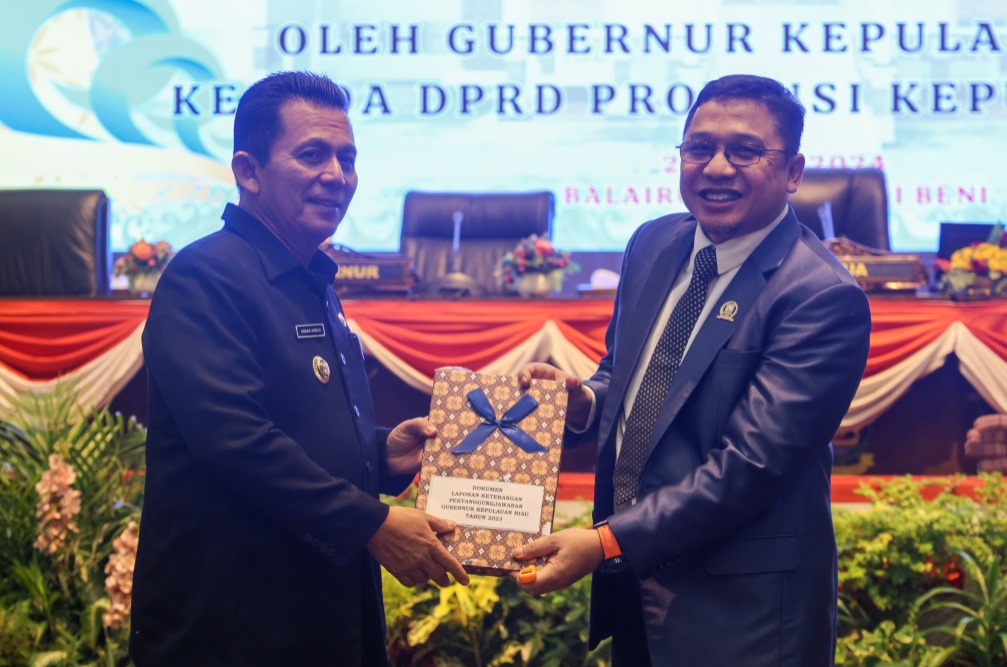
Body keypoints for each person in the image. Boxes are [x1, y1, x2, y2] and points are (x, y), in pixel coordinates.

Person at [512, 74, 872, 666]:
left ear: (793, 171)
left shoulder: (819, 295)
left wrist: (605, 542)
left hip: (743, 618)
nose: (717, 168)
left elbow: (749, 466)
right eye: (700, 148)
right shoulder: (653, 243)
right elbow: (627, 374)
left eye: (746, 151)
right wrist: (585, 402)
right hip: (637, 591)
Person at [129, 71, 468, 666]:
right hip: (235, 625)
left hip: (321, 610)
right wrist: (372, 524)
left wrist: (381, 453)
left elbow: (299, 421)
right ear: (248, 171)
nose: (337, 175)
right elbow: (238, 441)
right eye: (312, 155)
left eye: (347, 158)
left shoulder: (313, 277)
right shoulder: (205, 276)